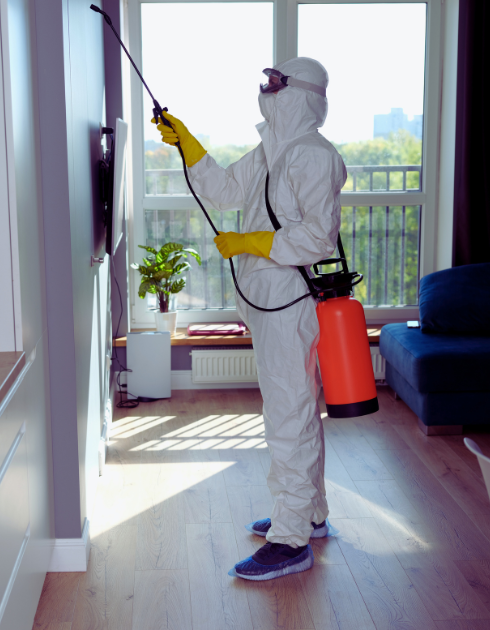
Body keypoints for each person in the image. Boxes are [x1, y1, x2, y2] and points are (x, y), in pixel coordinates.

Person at [152, 57, 347, 581]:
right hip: (266, 304)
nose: (266, 89)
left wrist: (247, 242)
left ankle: (290, 540)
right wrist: (186, 140)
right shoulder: (271, 151)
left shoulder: (313, 156)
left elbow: (316, 239)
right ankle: (309, 514)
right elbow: (224, 190)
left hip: (289, 304)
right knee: (294, 409)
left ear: (301, 93)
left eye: (276, 83)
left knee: (290, 416)